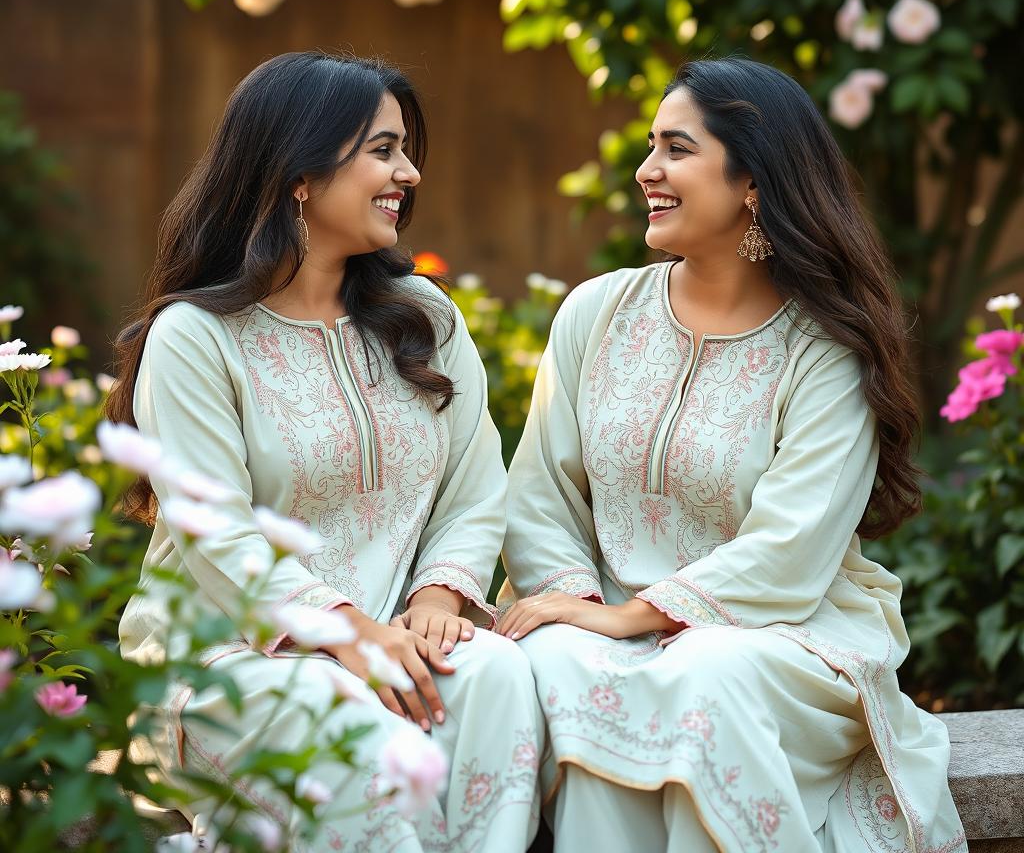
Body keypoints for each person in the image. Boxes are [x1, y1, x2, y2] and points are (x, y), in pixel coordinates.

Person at [499, 57, 965, 852]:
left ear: (754, 181)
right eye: (651, 148)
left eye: (677, 150)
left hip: (781, 637)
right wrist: (583, 609)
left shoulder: (826, 350)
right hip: (604, 626)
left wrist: (630, 618)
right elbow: (541, 500)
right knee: (556, 661)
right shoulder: (595, 315)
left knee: (705, 674)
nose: (648, 170)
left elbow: (790, 551)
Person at [113, 52, 542, 852]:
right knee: (351, 734)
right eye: (383, 150)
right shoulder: (196, 339)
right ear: (300, 174)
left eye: (405, 150)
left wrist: (438, 602)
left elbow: (475, 489)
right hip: (233, 661)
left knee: (496, 676)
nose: (408, 172)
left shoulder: (424, 317)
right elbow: (220, 535)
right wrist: (345, 631)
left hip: (397, 635)